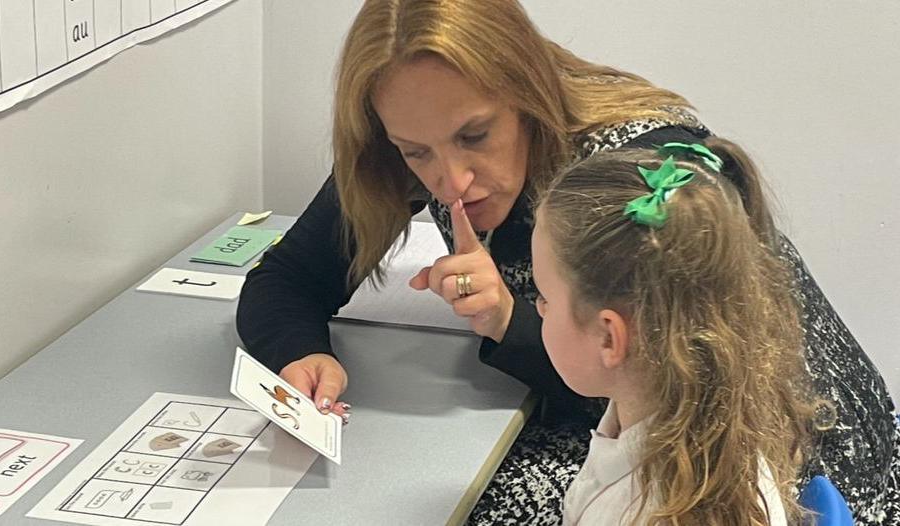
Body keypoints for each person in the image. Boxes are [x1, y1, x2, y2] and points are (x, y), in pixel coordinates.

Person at [236, 1, 899, 523]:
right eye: (416, 152)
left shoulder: (626, 177)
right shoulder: (416, 142)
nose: (452, 179)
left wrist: (508, 322)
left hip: (800, 467)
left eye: (476, 136)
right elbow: (286, 279)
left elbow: (680, 393)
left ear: (526, 96)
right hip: (636, 421)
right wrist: (301, 352)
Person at [531, 141, 815, 525]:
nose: (539, 308)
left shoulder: (656, 512)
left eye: (544, 296)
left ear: (608, 337)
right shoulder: (693, 416)